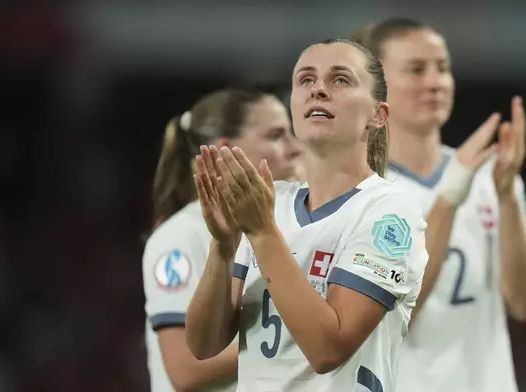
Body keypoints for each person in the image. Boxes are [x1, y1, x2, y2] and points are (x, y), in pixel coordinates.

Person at [185, 38, 429, 391]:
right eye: (306, 80)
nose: (318, 90)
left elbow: (327, 349)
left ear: (377, 115)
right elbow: (202, 345)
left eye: (340, 79)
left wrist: (264, 234)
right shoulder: (271, 202)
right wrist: (222, 246)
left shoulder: (390, 212)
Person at [353, 18, 526, 392]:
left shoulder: (492, 177)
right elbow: (390, 315)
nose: (435, 82)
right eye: (416, 69)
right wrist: (452, 192)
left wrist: (506, 197)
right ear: (374, 88)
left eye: (443, 68)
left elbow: (524, 303)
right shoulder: (362, 191)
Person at [142, 88, 301, 392]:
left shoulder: (279, 231)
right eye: (277, 135)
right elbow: (185, 370)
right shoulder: (179, 237)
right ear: (225, 151)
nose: (295, 148)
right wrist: (298, 337)